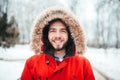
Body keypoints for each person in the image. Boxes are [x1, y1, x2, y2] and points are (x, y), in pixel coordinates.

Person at [21, 7, 95, 80]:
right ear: (46, 34)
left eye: (63, 31)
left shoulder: (83, 64)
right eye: (53, 31)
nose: (57, 36)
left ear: (70, 35)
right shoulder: (31, 63)